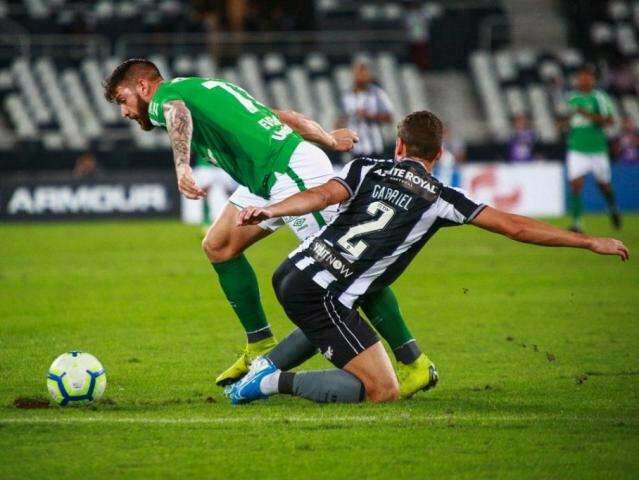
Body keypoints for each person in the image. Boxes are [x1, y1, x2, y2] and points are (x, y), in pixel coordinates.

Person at [226, 110, 629, 405]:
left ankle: (265, 367)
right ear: (439, 154)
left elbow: (319, 196)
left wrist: (274, 209)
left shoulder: (366, 168)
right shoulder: (440, 199)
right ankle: (270, 382)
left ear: (399, 146)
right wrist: (588, 242)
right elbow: (515, 227)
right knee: (382, 390)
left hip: (293, 271)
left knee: (334, 327)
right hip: (322, 293)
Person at [103, 59, 435, 398]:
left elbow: (177, 113)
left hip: (292, 175)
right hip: (268, 176)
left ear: (143, 87)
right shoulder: (204, 88)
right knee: (218, 246)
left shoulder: (166, 99)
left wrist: (182, 167)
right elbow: (282, 116)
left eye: (123, 100)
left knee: (343, 266)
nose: (125, 111)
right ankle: (260, 343)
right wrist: (328, 141)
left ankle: (414, 362)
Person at [563, 65, 621, 232]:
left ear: (593, 79)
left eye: (587, 77)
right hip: (576, 147)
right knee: (575, 184)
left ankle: (613, 208)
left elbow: (609, 122)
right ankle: (577, 224)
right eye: (581, 76)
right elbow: (568, 120)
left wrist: (586, 114)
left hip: (597, 149)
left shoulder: (599, 98)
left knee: (604, 186)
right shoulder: (572, 98)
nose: (583, 80)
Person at [337, 61, 394, 158]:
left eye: (364, 73)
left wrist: (370, 116)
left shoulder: (378, 94)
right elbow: (342, 119)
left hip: (376, 148)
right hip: (355, 150)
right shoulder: (346, 96)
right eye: (358, 73)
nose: (361, 77)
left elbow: (389, 118)